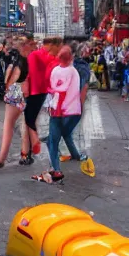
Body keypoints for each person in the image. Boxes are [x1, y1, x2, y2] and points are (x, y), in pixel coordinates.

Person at [32, 46, 87, 183]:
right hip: (73, 112)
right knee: (66, 133)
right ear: (71, 58)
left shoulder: (55, 71)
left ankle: (56, 170)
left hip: (57, 111)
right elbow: (77, 91)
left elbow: (52, 89)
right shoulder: (74, 72)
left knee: (53, 141)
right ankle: (76, 155)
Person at [0, 38, 30, 169]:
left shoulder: (17, 62)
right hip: (26, 93)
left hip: (15, 92)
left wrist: (7, 89)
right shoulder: (28, 59)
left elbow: (10, 80)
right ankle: (25, 155)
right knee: (25, 125)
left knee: (8, 125)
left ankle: (1, 159)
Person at [23, 37, 62, 162]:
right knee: (30, 121)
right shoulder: (42, 56)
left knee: (29, 121)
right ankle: (29, 151)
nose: (59, 49)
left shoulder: (38, 55)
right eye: (58, 46)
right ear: (51, 45)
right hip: (37, 92)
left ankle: (29, 151)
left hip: (36, 92)